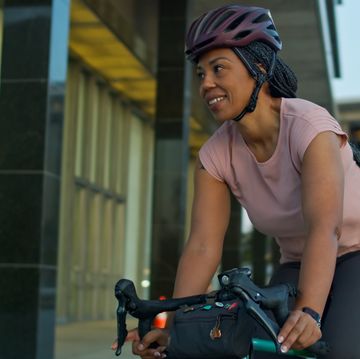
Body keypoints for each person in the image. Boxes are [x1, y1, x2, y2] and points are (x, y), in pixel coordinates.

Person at [116, 4, 360, 359]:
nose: (207, 84)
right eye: (200, 74)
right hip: (297, 261)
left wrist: (309, 312)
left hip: (356, 253)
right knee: (262, 348)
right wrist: (171, 327)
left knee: (340, 351)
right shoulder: (215, 155)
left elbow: (326, 228)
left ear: (258, 67)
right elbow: (202, 246)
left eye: (218, 69)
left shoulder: (310, 129)